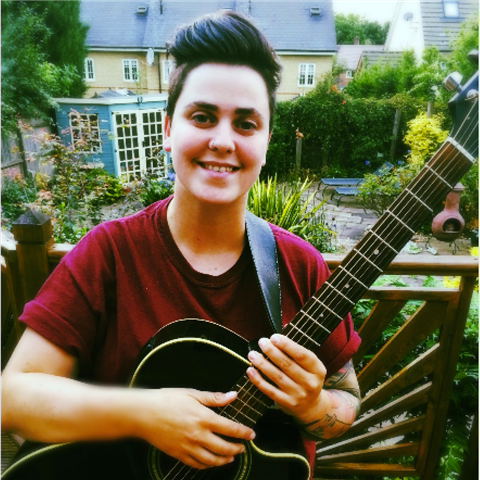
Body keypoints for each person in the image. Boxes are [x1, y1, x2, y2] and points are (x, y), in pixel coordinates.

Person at [1, 10, 361, 478]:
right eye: (203, 117)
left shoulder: (299, 265)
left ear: (267, 142)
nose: (223, 141)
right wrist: (145, 414)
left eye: (246, 124)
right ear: (169, 130)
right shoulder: (109, 254)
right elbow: (12, 398)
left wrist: (313, 404)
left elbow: (346, 400)